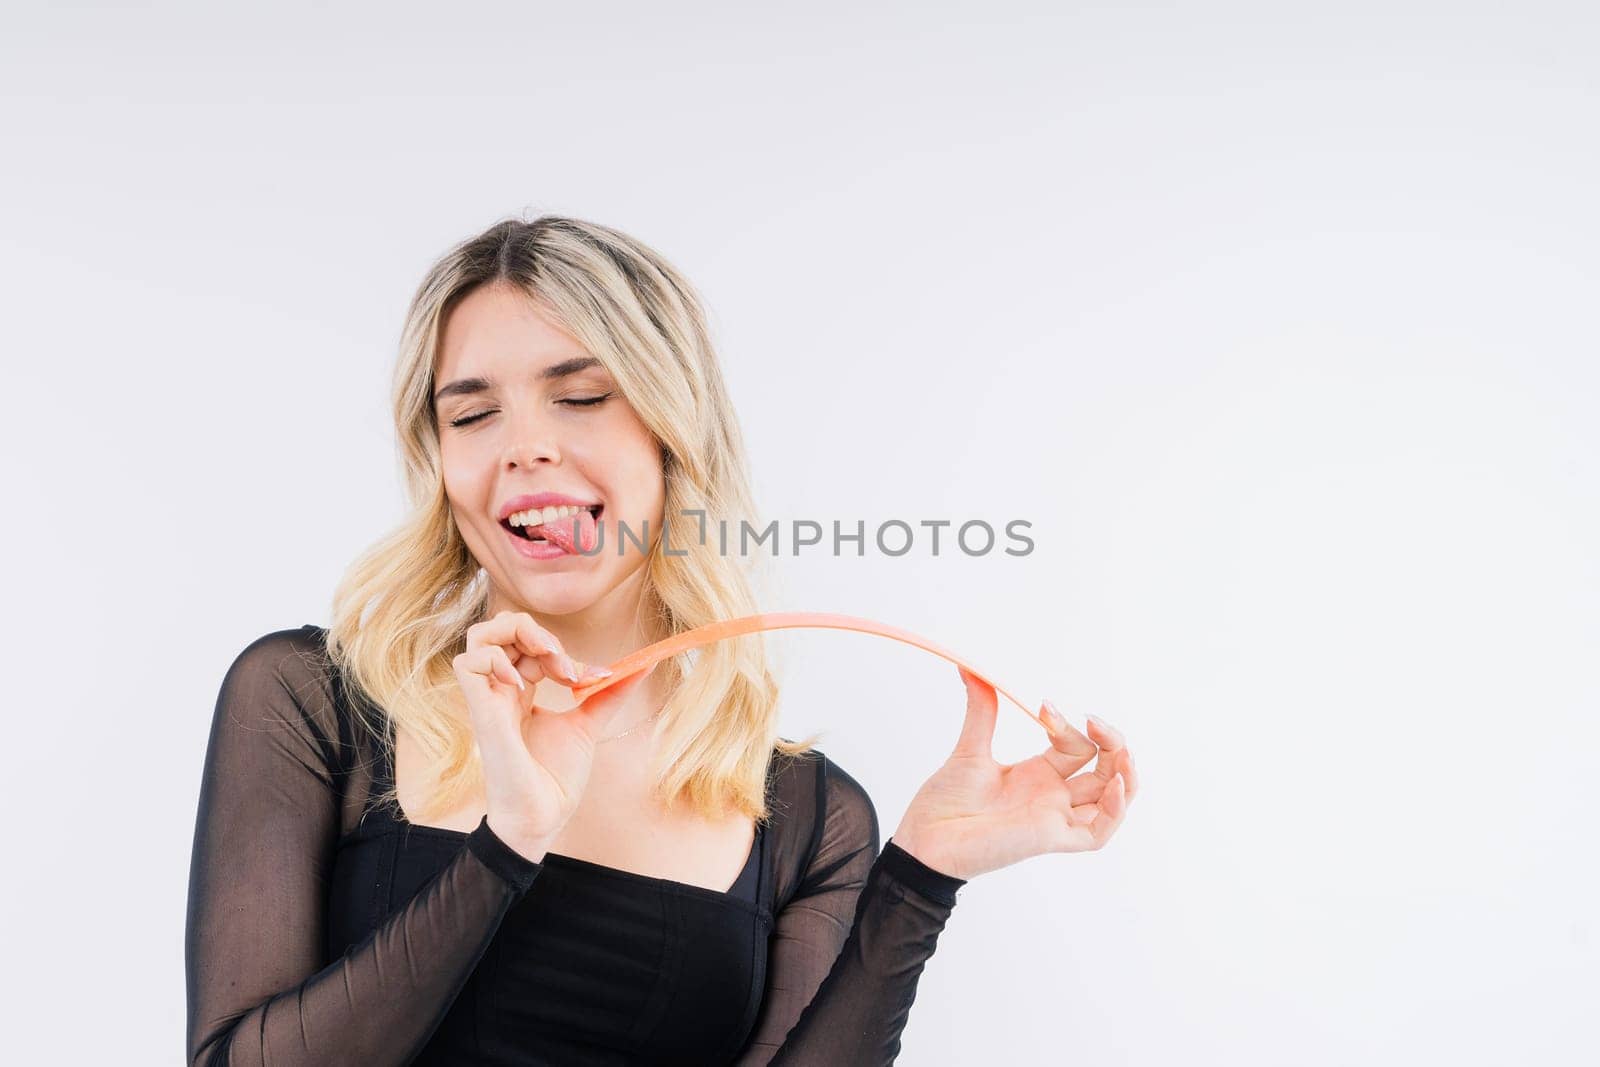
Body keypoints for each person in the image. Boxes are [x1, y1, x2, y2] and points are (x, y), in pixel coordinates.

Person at [184, 215, 1139, 1066]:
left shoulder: (807, 817)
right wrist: (506, 842)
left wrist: (922, 877)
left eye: (582, 396)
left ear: (672, 432)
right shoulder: (312, 701)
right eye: (472, 413)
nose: (524, 446)